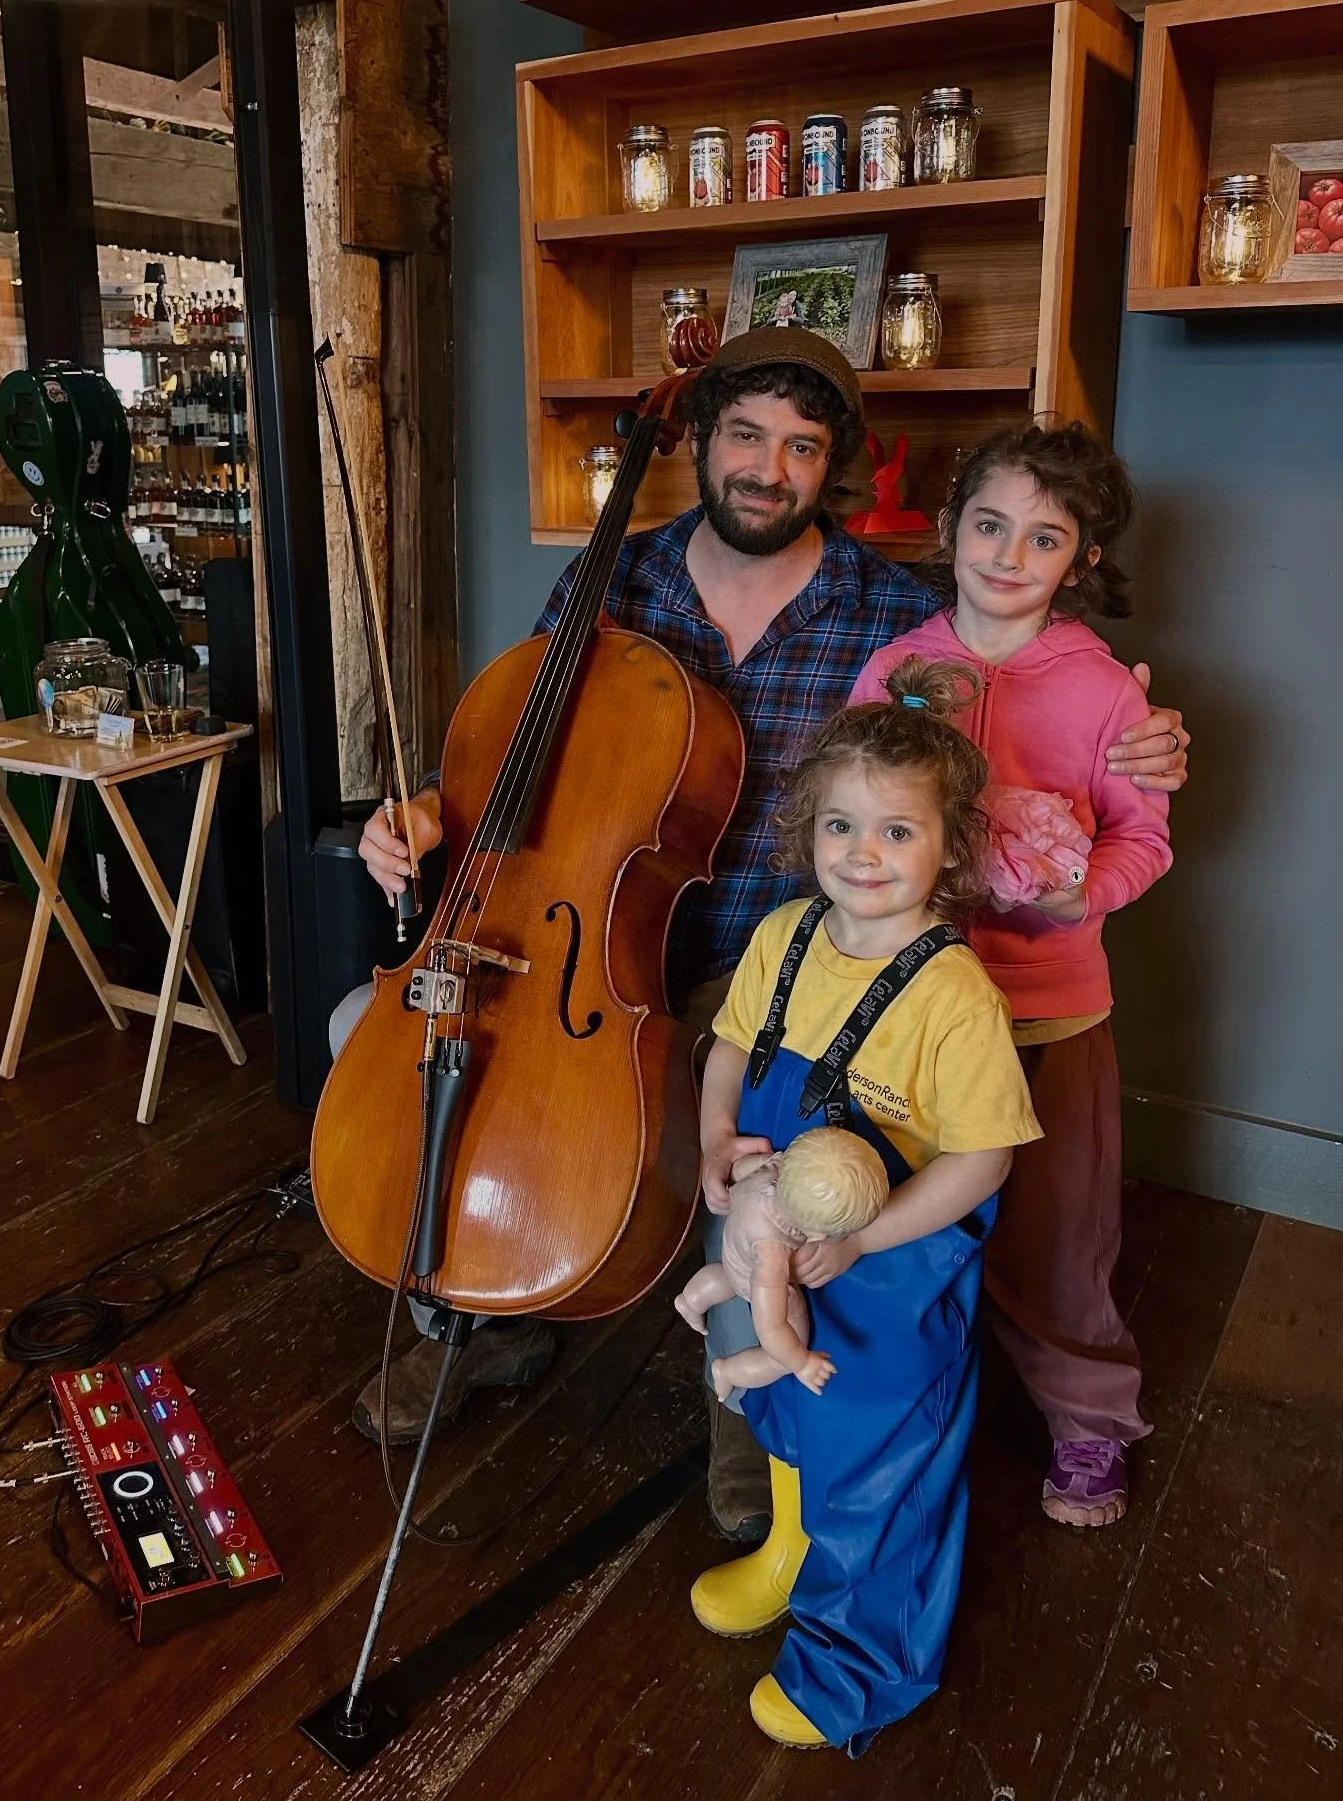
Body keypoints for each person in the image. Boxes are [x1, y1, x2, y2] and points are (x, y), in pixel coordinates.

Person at [345, 326, 1190, 1543]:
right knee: (431, 1054)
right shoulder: (613, 581)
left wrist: (1144, 740)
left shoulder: (894, 618)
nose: (768, 466)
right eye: (746, 434)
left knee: (766, 1140)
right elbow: (516, 745)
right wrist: (430, 812)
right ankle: (479, 1312)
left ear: (833, 466)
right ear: (700, 441)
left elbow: (1010, 727)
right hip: (584, 940)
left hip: (783, 971)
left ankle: (752, 1408)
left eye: (802, 446)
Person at [691, 657, 1042, 1751]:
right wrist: (715, 1136)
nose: (863, 854)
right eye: (841, 826)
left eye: (898, 832)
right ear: (809, 831)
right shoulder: (783, 936)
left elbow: (982, 1160)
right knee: (788, 1407)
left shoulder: (955, 996)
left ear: (951, 849)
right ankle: (791, 1550)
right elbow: (731, 1048)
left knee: (877, 1459)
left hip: (894, 1263)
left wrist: (865, 1237)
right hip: (776, 1232)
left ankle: (857, 1666)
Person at [849, 421, 1173, 1528]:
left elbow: (1143, 836)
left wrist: (1085, 894)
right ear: (950, 528)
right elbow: (852, 797)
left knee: (1059, 1234)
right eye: (990, 524)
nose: (1009, 554)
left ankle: (1089, 1420)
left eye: (1045, 537)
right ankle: (903, 1411)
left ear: (1081, 560)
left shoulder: (1105, 692)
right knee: (904, 1218)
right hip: (910, 1001)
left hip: (1047, 1010)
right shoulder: (896, 669)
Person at [674, 1124, 890, 1403]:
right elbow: (771, 1327)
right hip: (756, 1275)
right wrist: (801, 1362)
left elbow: (738, 1170)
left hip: (735, 1244)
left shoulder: (776, 1166)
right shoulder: (772, 1257)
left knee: (729, 1273)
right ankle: (728, 1371)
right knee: (781, 1355)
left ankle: (690, 1300)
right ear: (818, 1236)